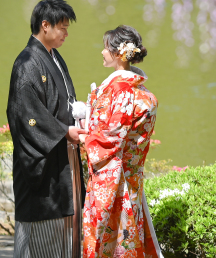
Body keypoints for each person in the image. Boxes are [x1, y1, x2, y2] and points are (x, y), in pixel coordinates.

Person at [7, 0, 87, 258]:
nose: (65, 33)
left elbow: (65, 100)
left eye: (66, 28)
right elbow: (26, 115)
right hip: (46, 159)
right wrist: (65, 131)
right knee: (40, 238)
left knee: (67, 230)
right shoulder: (27, 63)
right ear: (45, 25)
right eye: (62, 27)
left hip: (63, 155)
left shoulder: (53, 57)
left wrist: (78, 120)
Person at [81, 25, 163, 258]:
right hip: (131, 173)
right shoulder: (141, 91)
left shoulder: (120, 91)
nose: (102, 52)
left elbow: (109, 139)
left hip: (113, 177)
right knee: (129, 233)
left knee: (108, 236)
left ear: (118, 53)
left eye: (106, 48)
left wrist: (84, 135)